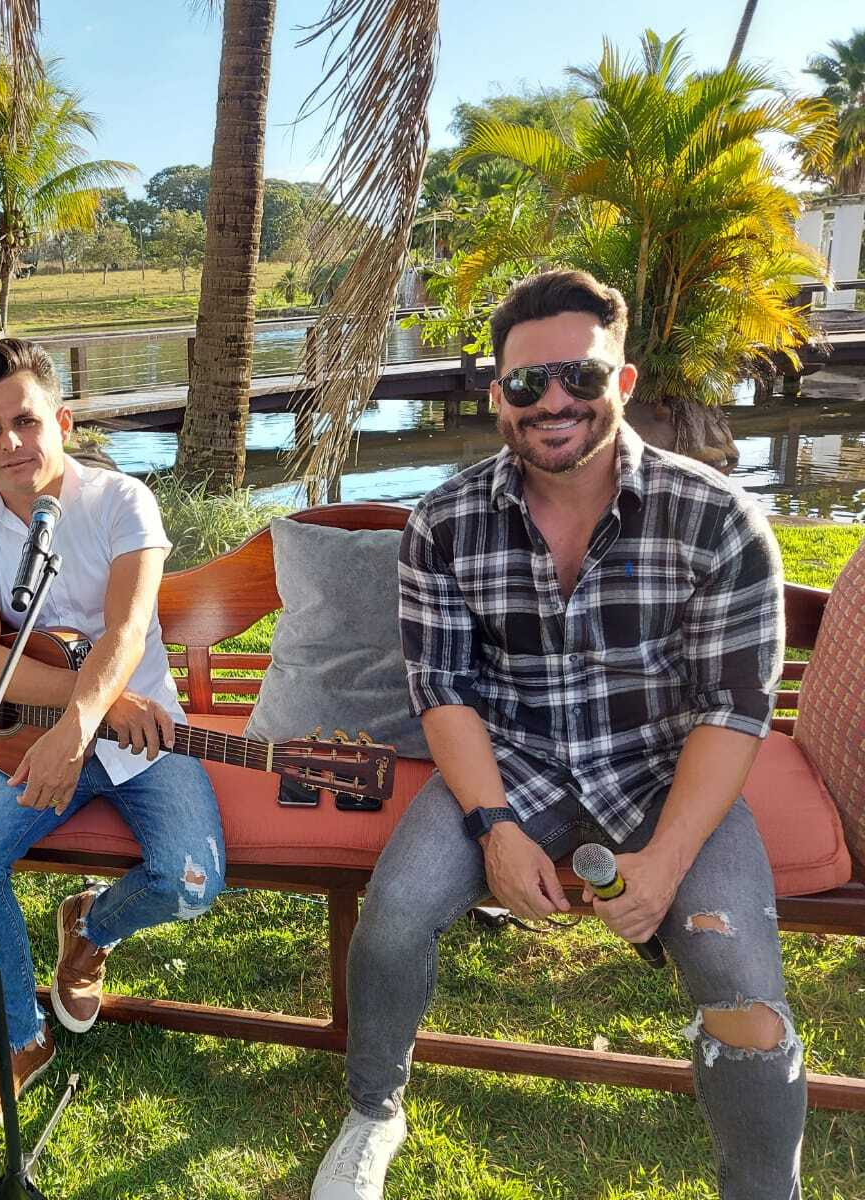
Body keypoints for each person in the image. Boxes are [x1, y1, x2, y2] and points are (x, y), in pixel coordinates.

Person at [312, 270, 804, 1200]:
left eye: (581, 376)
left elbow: (733, 709)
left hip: (660, 770)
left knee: (740, 980)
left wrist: (667, 860)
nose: (554, 401)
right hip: (512, 764)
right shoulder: (445, 522)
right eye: (527, 382)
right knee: (395, 918)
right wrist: (495, 826)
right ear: (497, 394)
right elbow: (444, 689)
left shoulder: (717, 517)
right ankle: (374, 1109)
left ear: (623, 382)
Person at [0, 338, 226, 1133]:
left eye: (26, 421)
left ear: (61, 422)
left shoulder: (122, 501)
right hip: (26, 743)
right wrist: (80, 719)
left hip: (145, 739)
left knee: (192, 883)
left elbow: (126, 632)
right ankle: (20, 1038)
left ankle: (90, 928)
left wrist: (86, 725)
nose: (11, 443)